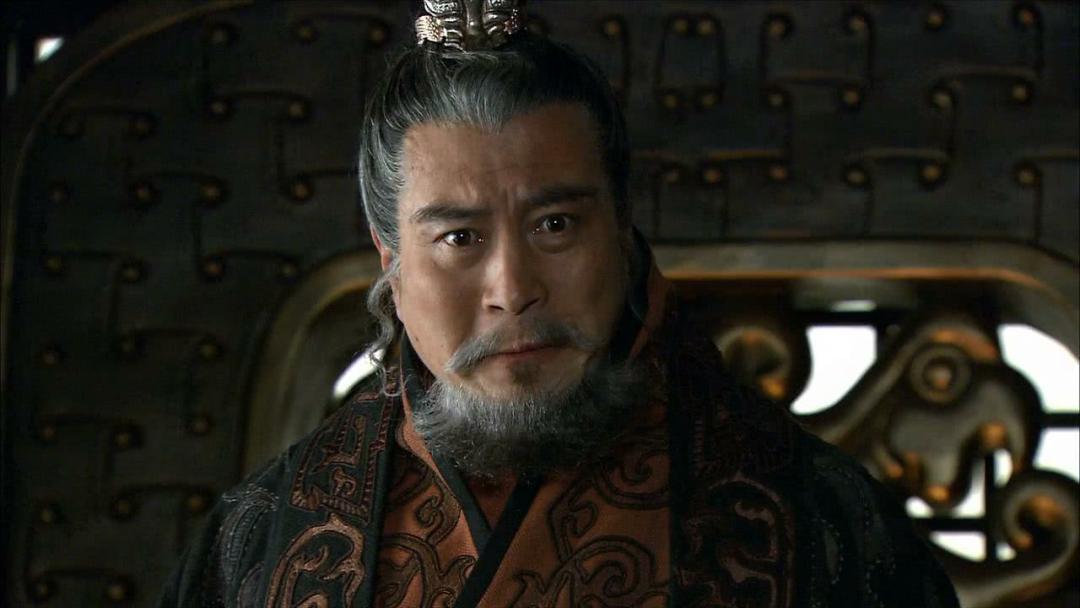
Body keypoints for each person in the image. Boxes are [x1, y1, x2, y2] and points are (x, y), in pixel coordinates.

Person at [161, 2, 960, 606]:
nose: (513, 289)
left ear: (621, 230)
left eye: (555, 225)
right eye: (459, 239)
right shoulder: (269, 536)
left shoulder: (813, 521)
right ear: (390, 262)